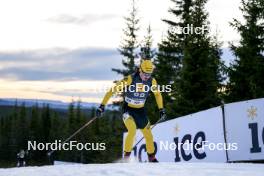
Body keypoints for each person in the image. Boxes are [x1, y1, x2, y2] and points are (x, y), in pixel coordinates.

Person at [96, 59, 166, 162]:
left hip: (140, 111)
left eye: (149, 74)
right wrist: (102, 106)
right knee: (132, 130)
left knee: (149, 135)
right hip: (128, 110)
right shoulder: (130, 79)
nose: (147, 76)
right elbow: (112, 90)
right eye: (145, 73)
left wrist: (161, 109)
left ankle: (152, 157)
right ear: (140, 70)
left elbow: (157, 94)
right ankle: (126, 157)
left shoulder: (152, 81)